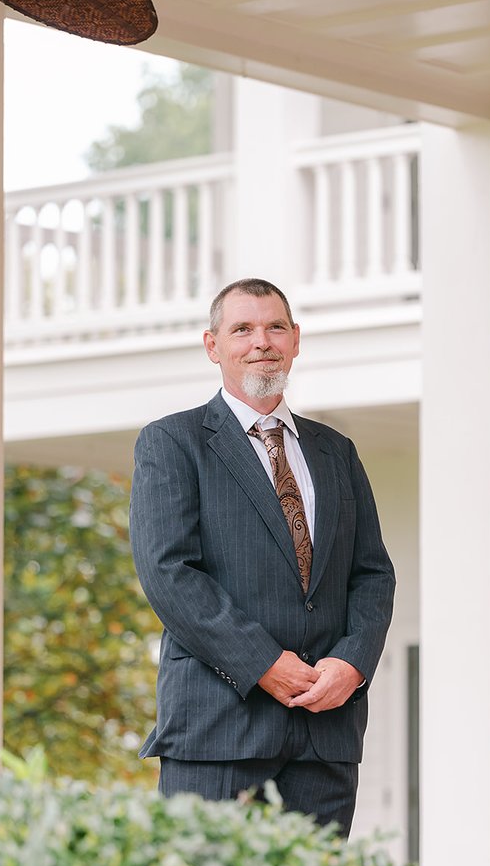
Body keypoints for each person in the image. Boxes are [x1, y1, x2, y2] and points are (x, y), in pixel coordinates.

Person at [129, 278, 395, 837]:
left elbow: (371, 573)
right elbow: (169, 573)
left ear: (296, 340)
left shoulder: (336, 451)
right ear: (213, 345)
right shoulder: (172, 443)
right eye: (242, 329)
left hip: (325, 734)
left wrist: (352, 663)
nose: (261, 342)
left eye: (276, 327)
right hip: (219, 729)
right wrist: (263, 664)